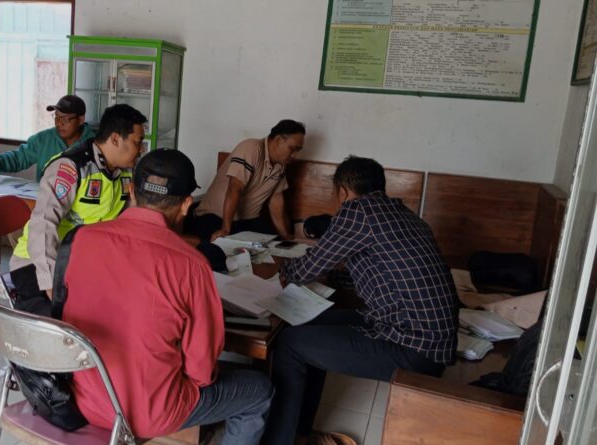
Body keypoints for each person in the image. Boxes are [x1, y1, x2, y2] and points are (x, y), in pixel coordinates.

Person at [61, 149, 274, 443]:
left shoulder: (83, 239)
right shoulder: (191, 264)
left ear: (131, 192)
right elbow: (201, 371)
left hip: (83, 399)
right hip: (148, 413)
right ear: (186, 204)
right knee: (259, 391)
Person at [262, 156, 459, 445]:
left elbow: (308, 267)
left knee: (291, 343)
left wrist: (283, 273)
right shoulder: (404, 214)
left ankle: (279, 440)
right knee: (310, 321)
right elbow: (380, 273)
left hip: (412, 345)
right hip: (430, 339)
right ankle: (300, 432)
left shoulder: (358, 212)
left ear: (342, 191)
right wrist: (330, 276)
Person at [8, 104, 147, 316]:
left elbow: (124, 222)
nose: (141, 149)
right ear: (115, 139)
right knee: (66, 321)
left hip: (84, 261)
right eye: (137, 142)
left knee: (126, 309)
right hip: (39, 262)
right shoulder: (71, 167)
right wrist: (49, 279)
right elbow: (43, 224)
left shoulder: (125, 173)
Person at [187, 119, 305, 242]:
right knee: (216, 247)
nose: (295, 155)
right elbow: (234, 188)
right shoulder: (251, 148)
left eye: (298, 151)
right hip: (216, 218)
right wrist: (226, 229)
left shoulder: (281, 164)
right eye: (293, 149)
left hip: (248, 222)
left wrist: (285, 235)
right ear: (278, 140)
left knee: (274, 242)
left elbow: (276, 200)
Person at [0, 95, 95, 181]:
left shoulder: (96, 143)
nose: (59, 123)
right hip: (47, 202)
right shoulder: (44, 139)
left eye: (65, 119)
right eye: (56, 117)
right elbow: (19, 158)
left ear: (80, 120)